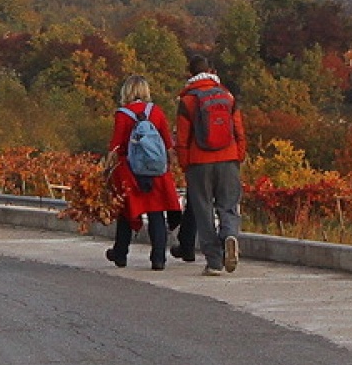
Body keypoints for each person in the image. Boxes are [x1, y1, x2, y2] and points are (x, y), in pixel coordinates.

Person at [174, 55, 246, 275]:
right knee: (228, 205)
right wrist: (238, 155)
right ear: (211, 71)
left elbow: (182, 139)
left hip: (199, 162)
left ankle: (214, 261)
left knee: (203, 210)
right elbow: (238, 130)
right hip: (229, 159)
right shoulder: (227, 96)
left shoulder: (187, 101)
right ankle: (230, 234)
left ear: (190, 74)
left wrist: (185, 165)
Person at [105, 74, 182, 271]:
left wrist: (107, 169)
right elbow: (167, 143)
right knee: (157, 214)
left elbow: (116, 146)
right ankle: (158, 259)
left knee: (126, 212)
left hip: (130, 171)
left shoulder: (122, 114)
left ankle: (120, 253)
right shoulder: (156, 112)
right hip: (156, 171)